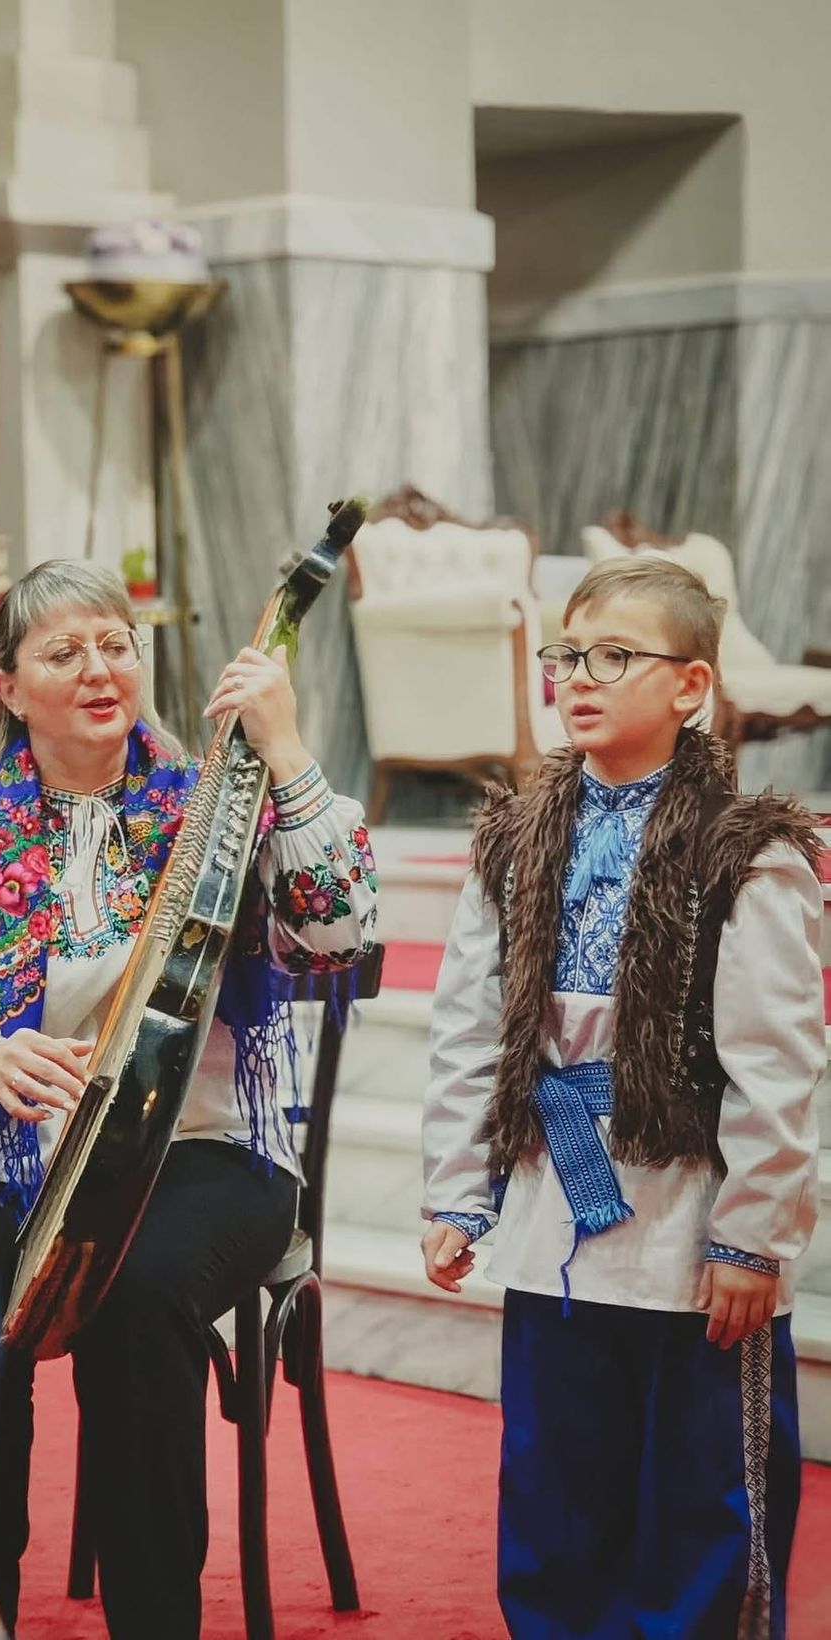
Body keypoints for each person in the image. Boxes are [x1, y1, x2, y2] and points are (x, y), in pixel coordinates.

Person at [0, 559, 378, 1639]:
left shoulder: (212, 804)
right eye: (63, 652)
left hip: (204, 1146)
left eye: (116, 643)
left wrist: (284, 745)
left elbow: (341, 928)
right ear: (8, 686)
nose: (100, 669)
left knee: (135, 1289)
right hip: (15, 1158)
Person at [421, 556, 824, 1638]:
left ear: (690, 685)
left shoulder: (748, 850)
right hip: (552, 1208)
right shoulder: (513, 837)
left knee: (702, 1503)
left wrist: (753, 1233)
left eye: (616, 655)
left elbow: (778, 1061)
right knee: (554, 1487)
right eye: (567, 655)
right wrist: (459, 1190)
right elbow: (468, 1025)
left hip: (690, 1223)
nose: (580, 677)